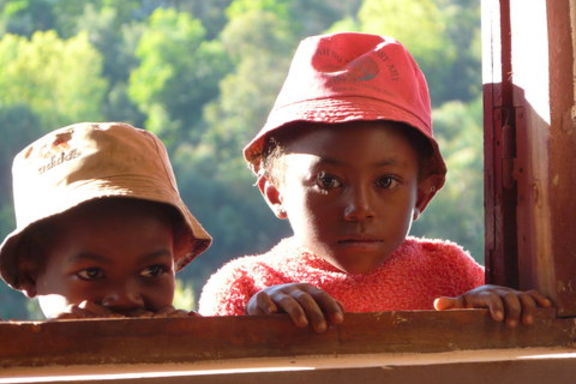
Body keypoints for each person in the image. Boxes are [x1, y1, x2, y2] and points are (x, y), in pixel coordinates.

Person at [198, 32, 550, 332]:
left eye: (385, 182)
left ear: (423, 194)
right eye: (328, 181)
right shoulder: (246, 286)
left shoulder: (451, 273)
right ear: (275, 192)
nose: (360, 209)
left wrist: (494, 310)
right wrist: (251, 323)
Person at [0, 122, 212, 319]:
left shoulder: (205, 347)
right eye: (92, 273)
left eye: (153, 271)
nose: (126, 299)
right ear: (30, 271)